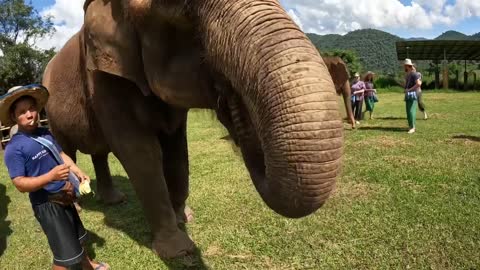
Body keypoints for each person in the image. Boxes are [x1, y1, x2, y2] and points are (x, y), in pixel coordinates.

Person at [1, 84, 109, 270]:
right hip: (47, 205)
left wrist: (76, 170)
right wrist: (50, 176)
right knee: (63, 258)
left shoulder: (44, 132)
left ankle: (88, 265)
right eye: (22, 111)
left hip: (65, 196)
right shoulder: (14, 148)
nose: (30, 114)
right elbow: (19, 184)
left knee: (77, 237)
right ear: (13, 117)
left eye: (32, 108)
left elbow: (61, 154)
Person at [403, 59, 421, 134]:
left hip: (413, 94)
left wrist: (409, 90)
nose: (404, 67)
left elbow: (418, 84)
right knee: (408, 111)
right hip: (408, 94)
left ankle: (413, 127)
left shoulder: (414, 74)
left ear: (408, 66)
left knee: (411, 111)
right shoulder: (408, 75)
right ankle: (410, 126)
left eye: (405, 65)